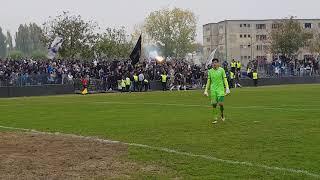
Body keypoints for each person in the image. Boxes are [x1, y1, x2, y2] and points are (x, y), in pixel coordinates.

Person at [204, 58, 230, 124]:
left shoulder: (222, 70)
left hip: (220, 89)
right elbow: (208, 81)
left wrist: (227, 88)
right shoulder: (210, 71)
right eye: (213, 63)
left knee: (221, 103)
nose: (214, 64)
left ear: (218, 63)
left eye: (215, 62)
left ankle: (222, 114)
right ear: (212, 64)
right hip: (213, 90)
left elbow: (225, 79)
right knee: (214, 104)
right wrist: (206, 90)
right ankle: (215, 118)